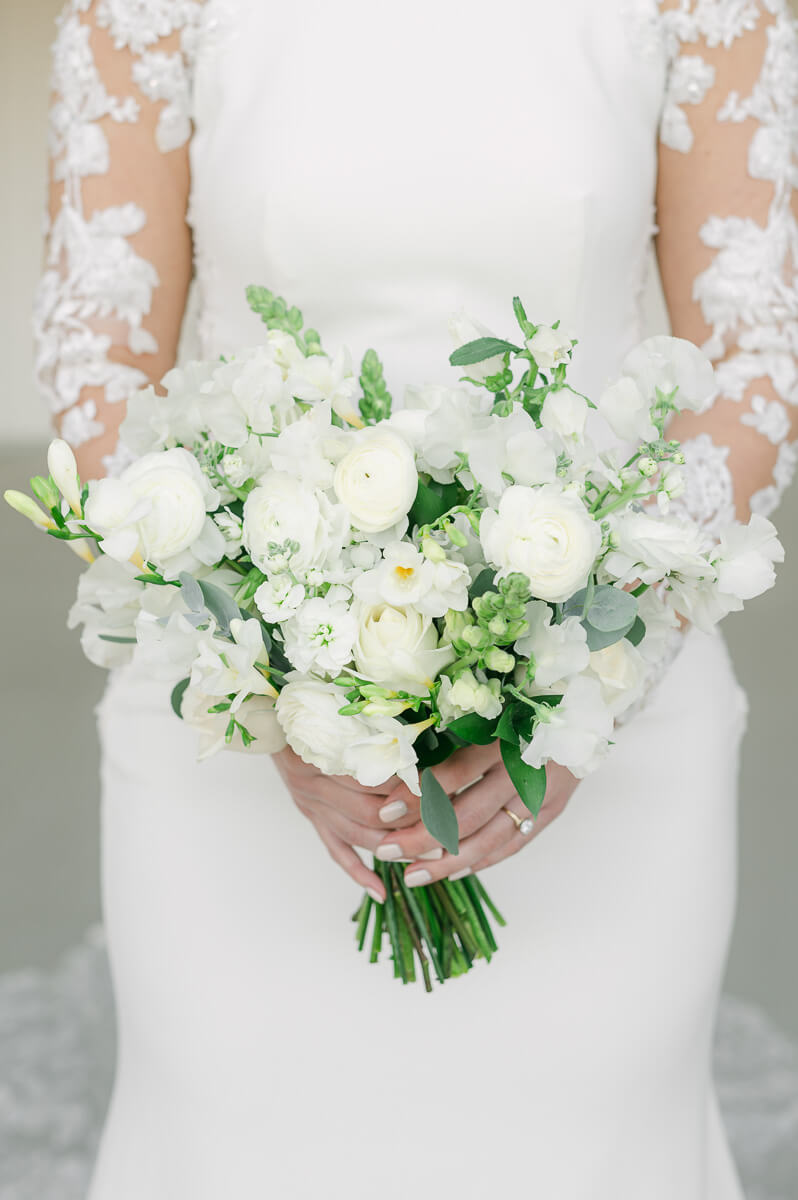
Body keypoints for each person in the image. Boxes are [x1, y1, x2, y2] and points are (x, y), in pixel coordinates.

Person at [35, 1, 797, 1196]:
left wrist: (592, 671)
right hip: (229, 758)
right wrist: (270, 681)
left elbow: (750, 358)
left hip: (609, 739)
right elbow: (99, 366)